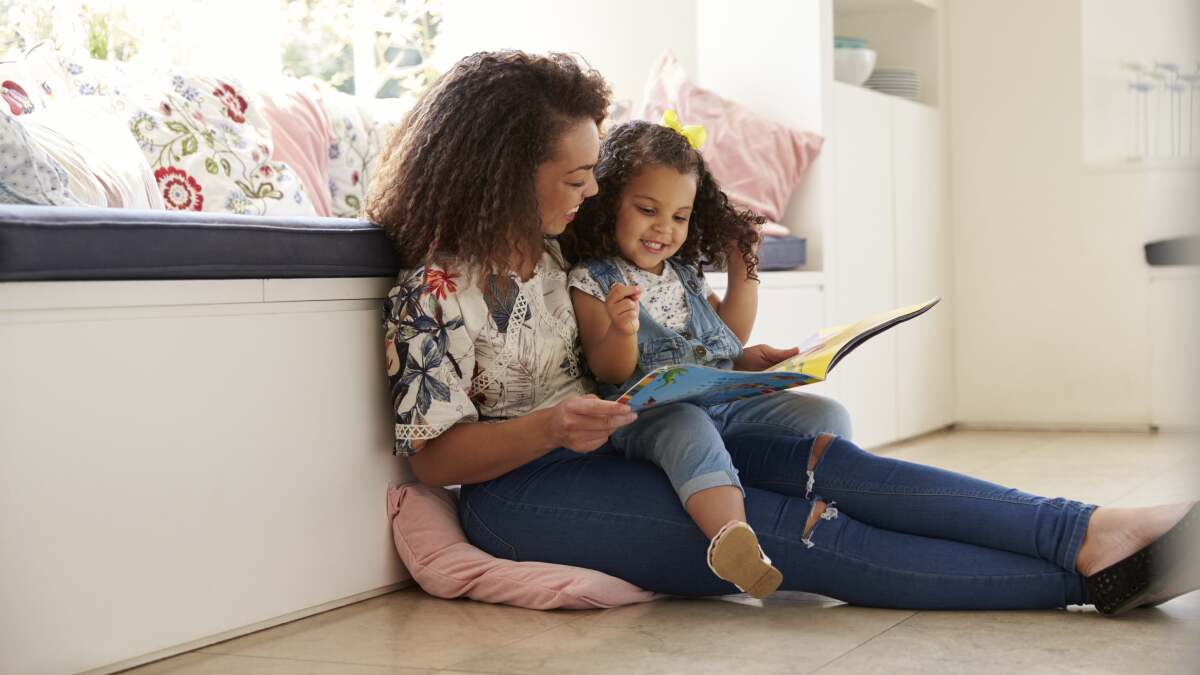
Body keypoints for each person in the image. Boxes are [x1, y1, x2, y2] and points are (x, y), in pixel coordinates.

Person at [368, 50, 1197, 614]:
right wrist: (550, 424)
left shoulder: (564, 254)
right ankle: (1082, 581)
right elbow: (434, 454)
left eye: (593, 174)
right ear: (506, 176)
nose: (590, 193)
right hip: (528, 493)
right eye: (575, 177)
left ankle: (1087, 530)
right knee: (799, 531)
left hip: (625, 436)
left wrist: (731, 368)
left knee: (836, 466)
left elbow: (651, 308)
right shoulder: (430, 291)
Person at [559, 114, 827, 599]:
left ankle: (812, 496)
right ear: (609, 203)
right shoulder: (593, 279)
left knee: (824, 413)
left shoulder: (682, 274)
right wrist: (622, 329)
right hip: (649, 417)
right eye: (646, 209)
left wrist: (745, 276)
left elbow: (726, 336)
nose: (663, 228)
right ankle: (733, 540)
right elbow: (610, 371)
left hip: (721, 400)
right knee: (688, 426)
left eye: (679, 217)